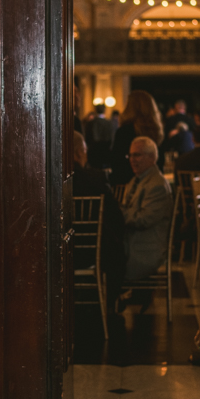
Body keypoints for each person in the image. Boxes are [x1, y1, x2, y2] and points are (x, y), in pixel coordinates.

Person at [73, 131, 125, 306]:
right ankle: (109, 303)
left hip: (59, 250)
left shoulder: (49, 178)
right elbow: (116, 217)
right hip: (92, 252)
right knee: (117, 247)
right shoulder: (95, 178)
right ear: (79, 152)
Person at [120, 136, 173, 280]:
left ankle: (110, 299)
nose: (132, 159)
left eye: (137, 155)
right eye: (130, 155)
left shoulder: (157, 185)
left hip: (144, 250)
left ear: (152, 157)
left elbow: (142, 219)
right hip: (132, 243)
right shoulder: (137, 180)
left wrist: (118, 214)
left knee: (104, 261)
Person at [109, 91, 164, 185]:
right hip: (153, 181)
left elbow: (116, 161)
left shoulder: (124, 131)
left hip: (127, 183)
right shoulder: (157, 131)